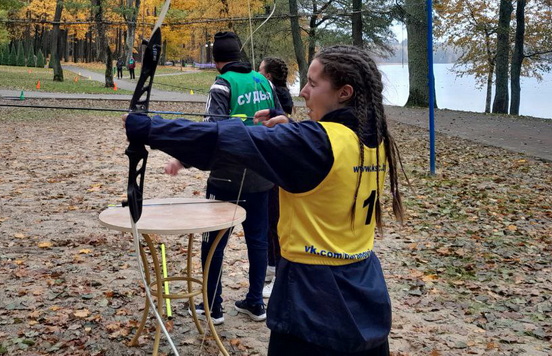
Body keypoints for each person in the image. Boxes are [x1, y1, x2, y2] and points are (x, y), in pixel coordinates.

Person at [125, 44, 404, 355]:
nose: (303, 93)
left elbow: (224, 140)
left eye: (313, 84)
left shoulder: (314, 143)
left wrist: (151, 128)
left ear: (344, 93)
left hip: (313, 297)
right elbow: (327, 154)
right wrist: (292, 129)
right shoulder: (372, 136)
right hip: (364, 290)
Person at [165, 31, 280, 324]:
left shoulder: (222, 84)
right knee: (258, 241)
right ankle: (256, 303)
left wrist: (182, 160)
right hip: (263, 175)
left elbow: (211, 135)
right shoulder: (264, 81)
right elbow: (279, 121)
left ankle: (211, 306)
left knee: (213, 242)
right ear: (239, 56)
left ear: (217, 61)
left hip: (226, 179)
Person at [257, 57, 294, 298]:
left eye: (259, 71)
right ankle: (271, 268)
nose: (256, 74)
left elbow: (282, 126)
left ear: (268, 76)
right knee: (271, 221)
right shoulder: (279, 93)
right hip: (274, 162)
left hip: (277, 165)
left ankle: (278, 273)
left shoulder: (277, 96)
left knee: (275, 221)